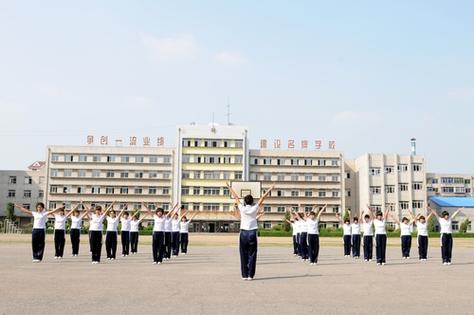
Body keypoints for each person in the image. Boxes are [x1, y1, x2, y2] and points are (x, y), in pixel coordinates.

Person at [228, 182, 274, 281]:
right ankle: (250, 275)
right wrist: (270, 189)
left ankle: (244, 275)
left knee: (243, 253)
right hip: (252, 232)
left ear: (244, 201)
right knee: (252, 254)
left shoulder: (242, 208)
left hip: (243, 232)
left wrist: (229, 187)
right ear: (252, 201)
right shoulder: (254, 208)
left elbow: (235, 196)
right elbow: (262, 198)